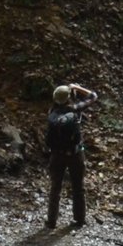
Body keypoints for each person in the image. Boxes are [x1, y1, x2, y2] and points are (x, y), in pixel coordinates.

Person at [44, 83, 98, 229]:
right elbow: (93, 96)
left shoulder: (52, 112)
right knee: (78, 187)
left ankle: (51, 221)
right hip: (75, 154)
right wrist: (78, 87)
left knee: (55, 187)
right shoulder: (74, 109)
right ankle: (79, 219)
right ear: (69, 98)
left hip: (56, 155)